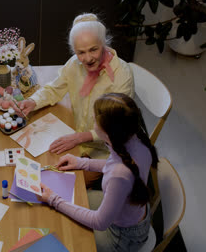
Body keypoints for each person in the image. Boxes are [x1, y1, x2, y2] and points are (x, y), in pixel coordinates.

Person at [37, 93, 158, 252]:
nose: (93, 121)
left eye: (94, 120)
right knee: (73, 200)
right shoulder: (135, 138)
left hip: (121, 237)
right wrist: (82, 163)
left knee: (66, 233)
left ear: (108, 133)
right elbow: (117, 166)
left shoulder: (119, 175)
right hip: (131, 214)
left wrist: (53, 199)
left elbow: (100, 222)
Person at [13, 13, 134, 159]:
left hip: (105, 149)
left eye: (93, 49)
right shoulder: (74, 63)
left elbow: (118, 125)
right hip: (73, 134)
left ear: (104, 43)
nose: (88, 58)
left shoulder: (122, 74)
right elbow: (54, 89)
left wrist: (80, 138)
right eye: (81, 52)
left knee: (61, 174)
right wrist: (33, 101)